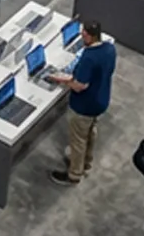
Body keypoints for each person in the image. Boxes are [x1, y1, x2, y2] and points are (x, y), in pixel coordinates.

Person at [48, 21, 116, 186]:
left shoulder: (89, 57)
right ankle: (86, 162)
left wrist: (60, 80)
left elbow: (80, 86)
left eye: (83, 34)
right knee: (90, 131)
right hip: (101, 100)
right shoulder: (109, 49)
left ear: (89, 36)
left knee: (77, 140)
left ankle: (74, 173)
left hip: (84, 105)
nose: (81, 37)